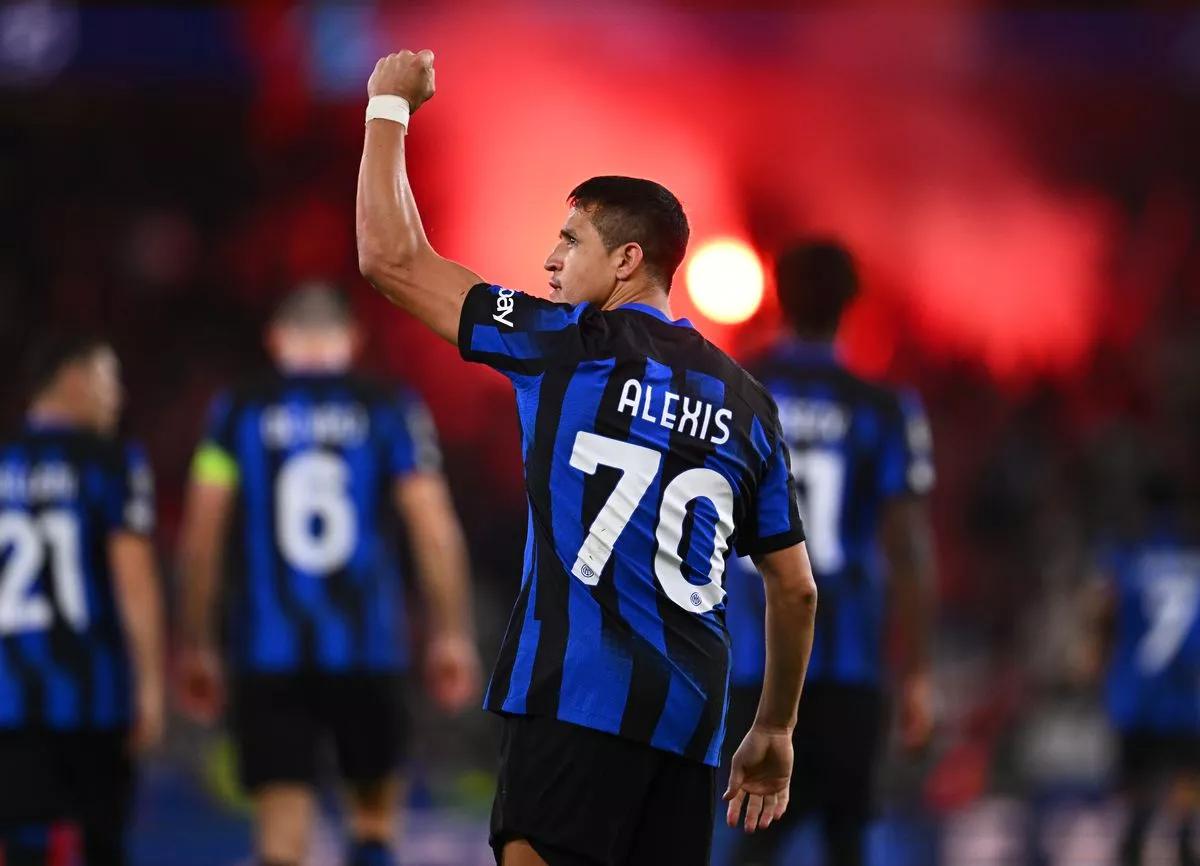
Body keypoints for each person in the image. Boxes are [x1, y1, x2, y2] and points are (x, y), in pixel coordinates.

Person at [355, 50, 819, 866]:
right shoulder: (751, 405)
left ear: (628, 259)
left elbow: (390, 258)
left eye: (569, 241)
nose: (549, 262)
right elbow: (796, 588)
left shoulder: (565, 345)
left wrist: (387, 108)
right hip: (689, 727)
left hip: (575, 700)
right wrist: (774, 727)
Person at [176, 284, 481, 866]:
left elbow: (202, 533)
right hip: (368, 647)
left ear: (276, 339)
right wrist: (450, 633)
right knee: (373, 823)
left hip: (269, 651)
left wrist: (195, 642)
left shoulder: (237, 410)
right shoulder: (388, 407)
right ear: (351, 339)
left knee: (282, 840)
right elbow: (433, 527)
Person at [722, 240, 937, 866]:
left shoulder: (731, 390)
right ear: (852, 305)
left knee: (749, 831)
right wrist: (919, 672)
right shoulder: (883, 408)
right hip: (847, 658)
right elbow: (910, 545)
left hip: (747, 653)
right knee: (846, 837)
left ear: (777, 296)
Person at [0, 333, 165, 866]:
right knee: (103, 844)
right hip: (94, 693)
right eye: (107, 380)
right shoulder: (111, 461)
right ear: (73, 380)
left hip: (9, 696)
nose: (117, 396)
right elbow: (133, 579)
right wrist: (150, 683)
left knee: (23, 845)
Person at [1079, 481, 1200, 866]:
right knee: (1186, 787)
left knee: (1136, 796)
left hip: (1135, 696)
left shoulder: (1123, 559)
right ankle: (1184, 844)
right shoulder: (1194, 561)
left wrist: (1095, 663)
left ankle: (1133, 846)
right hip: (1187, 695)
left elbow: (1101, 612)